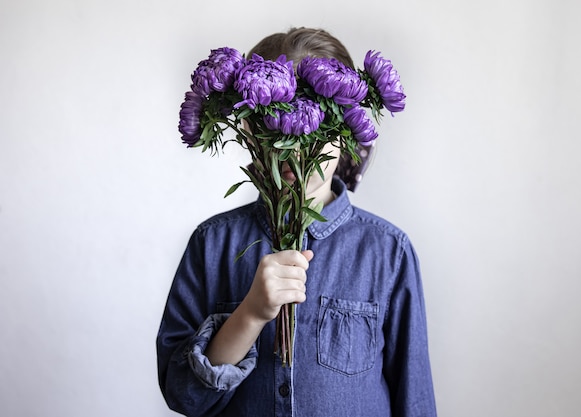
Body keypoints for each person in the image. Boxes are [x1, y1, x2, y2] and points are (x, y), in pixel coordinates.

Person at [157, 27, 437, 417]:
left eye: (319, 130)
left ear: (347, 134)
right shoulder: (212, 245)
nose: (296, 147)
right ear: (249, 131)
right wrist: (250, 313)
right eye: (274, 128)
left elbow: (415, 399)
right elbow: (183, 395)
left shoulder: (389, 253)